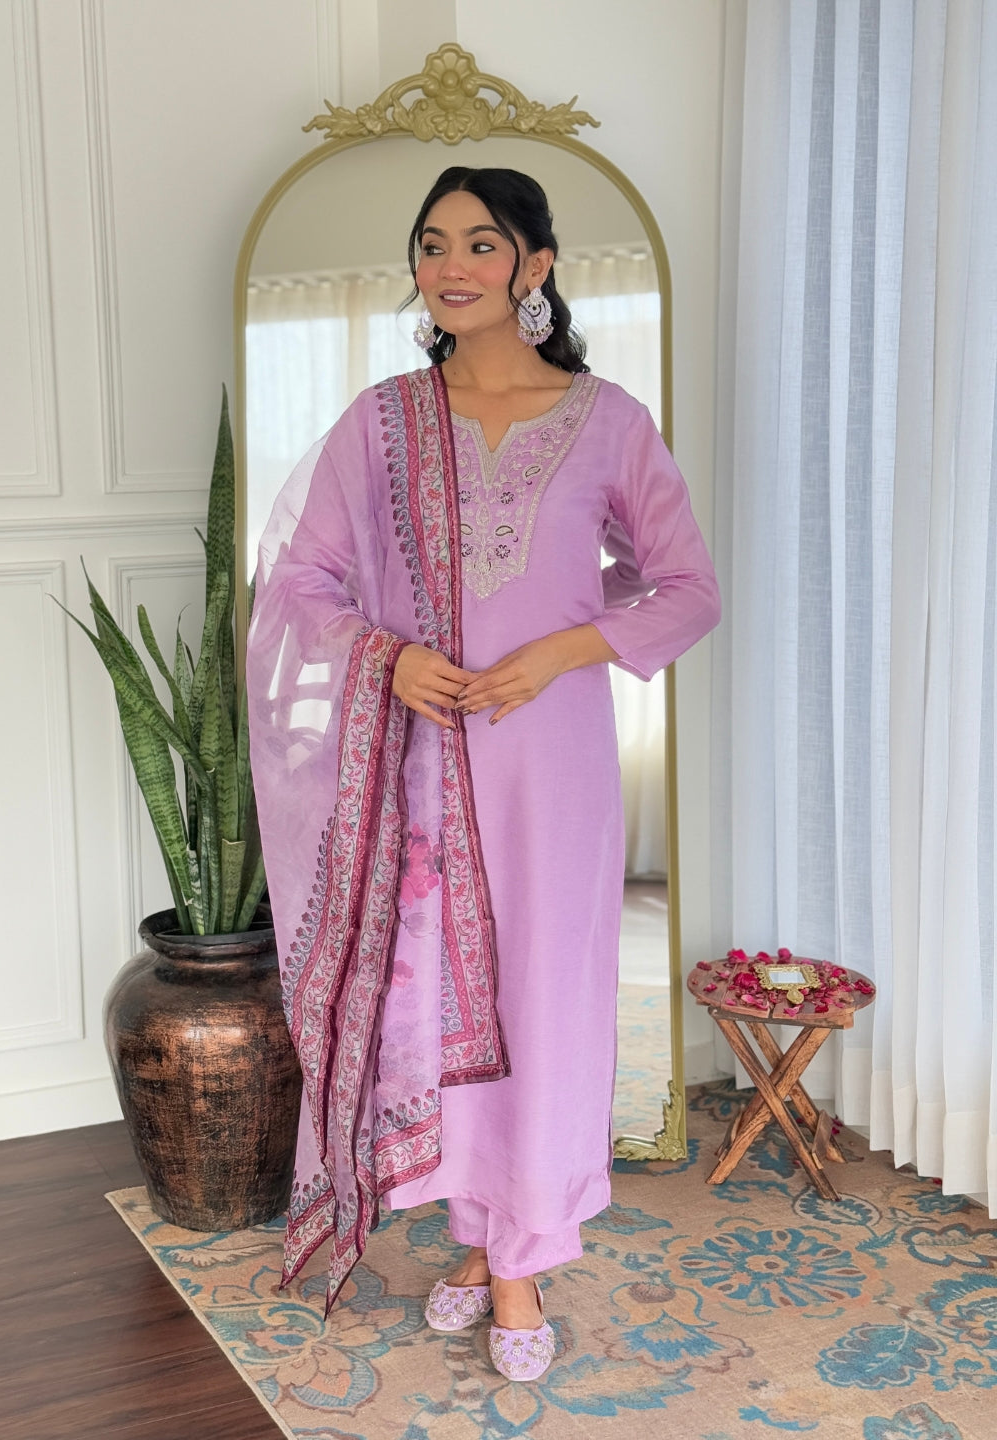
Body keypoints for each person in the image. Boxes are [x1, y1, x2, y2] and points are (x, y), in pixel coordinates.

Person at [245, 166, 720, 1382]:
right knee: (440, 1003)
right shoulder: (384, 421)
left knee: (543, 1000)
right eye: (432, 244)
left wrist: (565, 647)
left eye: (481, 243)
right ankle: (477, 1235)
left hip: (550, 767)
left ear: (535, 267)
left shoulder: (606, 420)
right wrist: (390, 659)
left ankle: (518, 1252)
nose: (452, 265)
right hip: (419, 762)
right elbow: (300, 583)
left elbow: (686, 588)